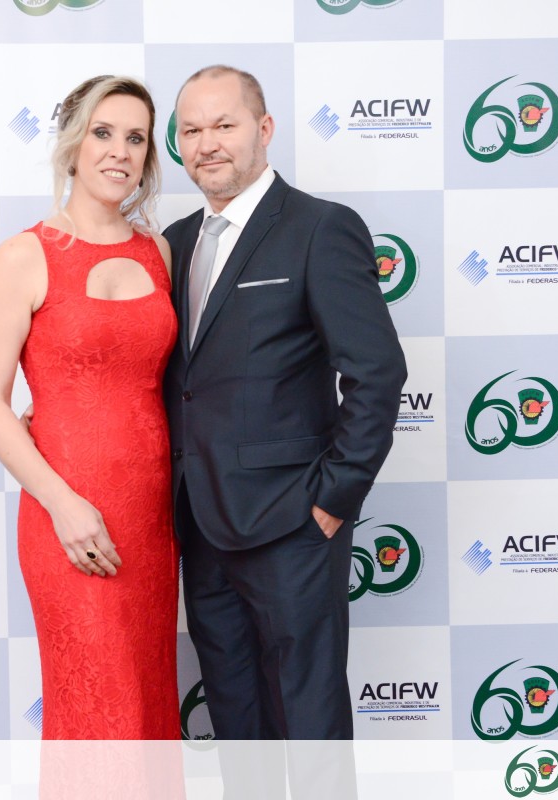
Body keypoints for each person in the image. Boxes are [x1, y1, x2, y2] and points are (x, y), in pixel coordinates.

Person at [164, 64, 407, 750]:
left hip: (293, 525)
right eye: (191, 130)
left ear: (264, 129)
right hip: (200, 526)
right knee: (237, 720)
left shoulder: (320, 228)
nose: (207, 143)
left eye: (224, 124)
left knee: (308, 721)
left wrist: (334, 497)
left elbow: (377, 371)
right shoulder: (173, 243)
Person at [0, 75, 180, 740]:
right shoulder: (24, 255)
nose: (120, 151)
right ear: (71, 144)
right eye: (103, 132)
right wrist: (63, 504)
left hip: (152, 518)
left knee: (147, 703)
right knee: (95, 708)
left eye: (137, 138)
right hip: (66, 517)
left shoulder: (159, 251)